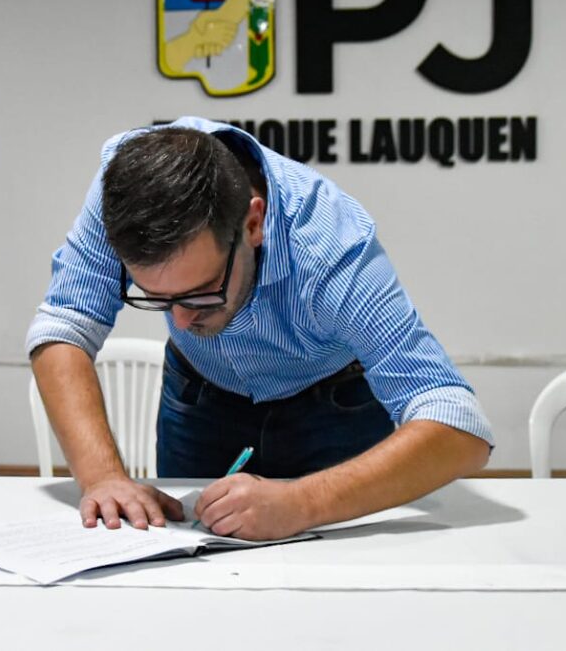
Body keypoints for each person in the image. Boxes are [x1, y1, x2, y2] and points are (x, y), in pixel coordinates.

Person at [27, 116, 493, 540]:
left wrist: (303, 503)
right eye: (157, 298)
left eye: (201, 292)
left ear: (253, 223)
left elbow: (459, 424)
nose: (180, 321)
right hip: (200, 395)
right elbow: (64, 326)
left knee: (338, 571)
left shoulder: (329, 245)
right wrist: (104, 477)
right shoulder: (127, 193)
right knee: (183, 563)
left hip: (335, 406)